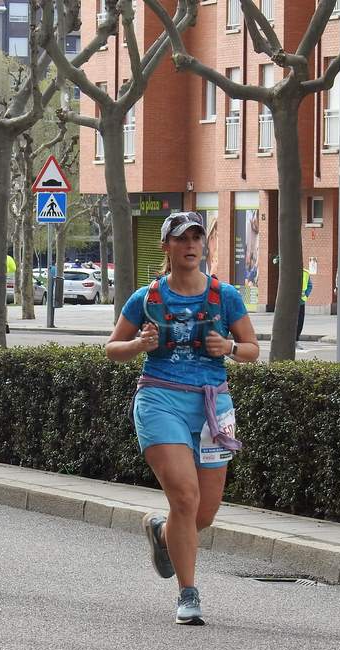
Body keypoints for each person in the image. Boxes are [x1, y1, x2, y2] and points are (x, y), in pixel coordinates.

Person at [105, 210, 259, 626]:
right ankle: (188, 595)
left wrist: (227, 347)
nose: (191, 244)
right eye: (181, 238)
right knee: (186, 498)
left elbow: (251, 349)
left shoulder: (225, 296)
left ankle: (161, 531)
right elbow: (112, 348)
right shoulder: (148, 298)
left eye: (196, 237)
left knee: (202, 514)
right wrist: (139, 343)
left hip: (213, 407)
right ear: (167, 247)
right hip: (160, 400)